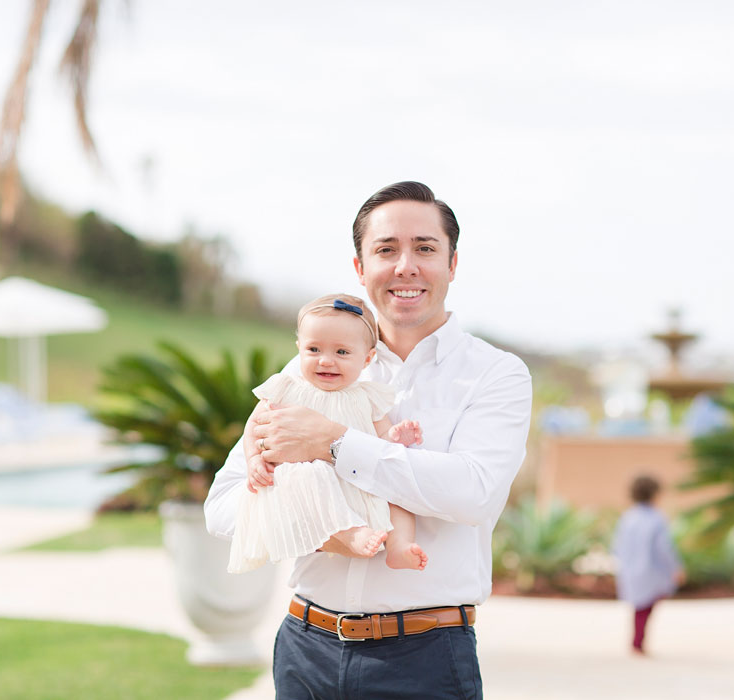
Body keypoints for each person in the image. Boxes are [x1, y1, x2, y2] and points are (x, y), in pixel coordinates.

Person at [205, 181, 533, 699]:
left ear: (452, 263)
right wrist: (324, 526)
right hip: (303, 649)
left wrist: (333, 443)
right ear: (360, 268)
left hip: (424, 657)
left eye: (425, 248)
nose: (406, 266)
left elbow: (472, 494)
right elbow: (223, 506)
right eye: (386, 250)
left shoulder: (496, 374)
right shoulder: (312, 367)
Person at [228, 292, 428, 573]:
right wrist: (253, 460)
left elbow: (381, 444)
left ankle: (399, 546)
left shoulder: (367, 397)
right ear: (299, 348)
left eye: (342, 352)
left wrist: (396, 437)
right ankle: (348, 532)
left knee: (398, 491)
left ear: (367, 358)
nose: (325, 361)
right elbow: (254, 426)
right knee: (313, 475)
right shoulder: (287, 388)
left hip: (355, 481)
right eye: (313, 350)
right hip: (306, 482)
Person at [611, 474, 685, 655]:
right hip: (651, 571)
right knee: (644, 608)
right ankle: (638, 643)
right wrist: (675, 567)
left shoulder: (628, 517)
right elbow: (664, 548)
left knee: (640, 607)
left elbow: (617, 546)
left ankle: (637, 641)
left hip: (632, 570)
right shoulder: (656, 518)